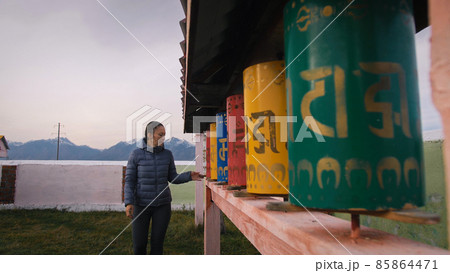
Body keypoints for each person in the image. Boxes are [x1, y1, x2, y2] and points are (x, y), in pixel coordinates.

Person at [124, 121, 202, 255]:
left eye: (164, 135)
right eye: (160, 134)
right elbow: (130, 180)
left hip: (162, 205)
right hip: (141, 205)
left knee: (157, 244)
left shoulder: (167, 155)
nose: (163, 138)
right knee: (139, 245)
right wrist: (129, 202)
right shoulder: (136, 154)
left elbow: (172, 177)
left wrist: (189, 176)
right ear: (149, 134)